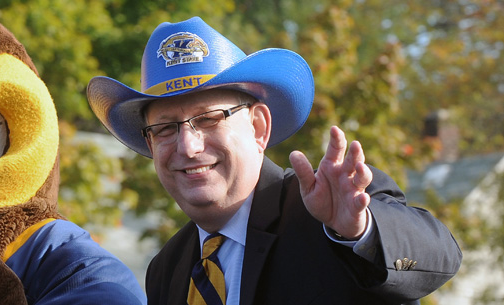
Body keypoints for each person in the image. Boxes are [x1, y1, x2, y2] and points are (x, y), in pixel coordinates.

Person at [86, 16, 461, 305]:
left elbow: (440, 254)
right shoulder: (167, 268)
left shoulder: (328, 211)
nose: (188, 145)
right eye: (165, 128)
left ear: (258, 126)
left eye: (208, 118)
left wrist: (359, 231)